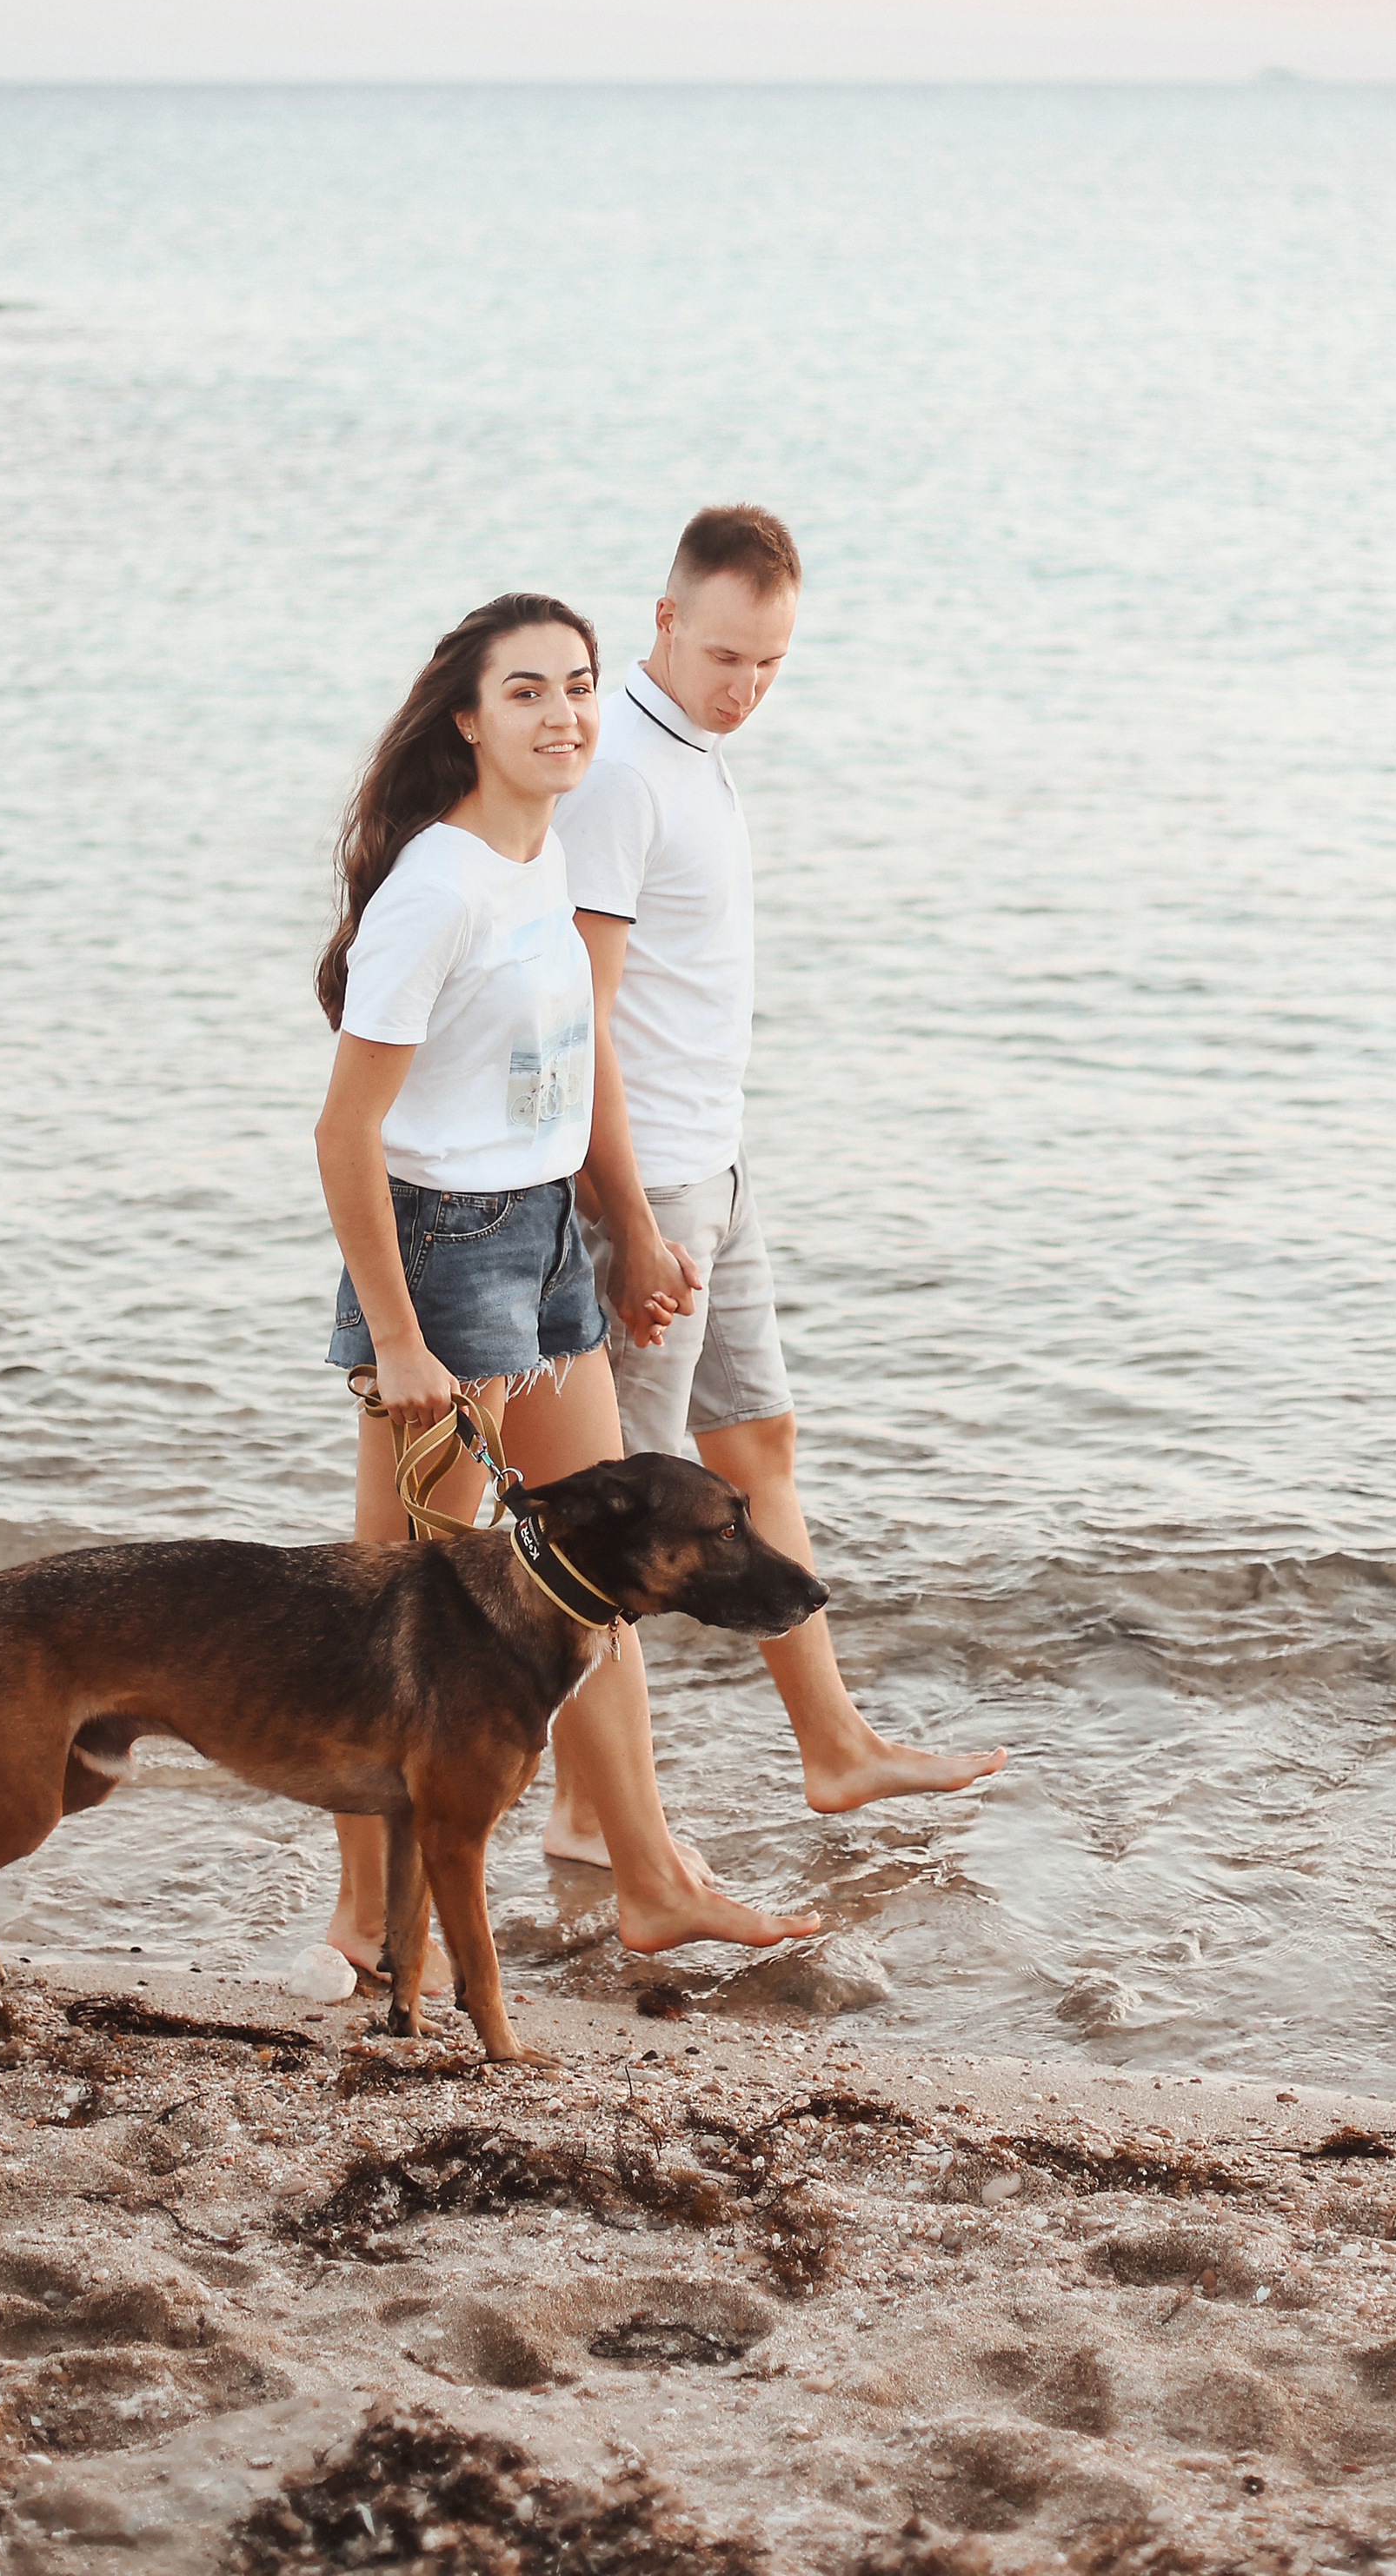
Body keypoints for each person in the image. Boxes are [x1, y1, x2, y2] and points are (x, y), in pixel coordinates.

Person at [311, 588, 819, 1981]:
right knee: (396, 1608)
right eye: (527, 691)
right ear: (467, 719)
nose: (564, 715)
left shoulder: (538, 858)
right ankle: (364, 1913)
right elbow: (346, 1135)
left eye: (580, 686)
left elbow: (573, 1066)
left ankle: (649, 1883)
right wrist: (399, 1338)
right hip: (441, 1253)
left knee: (589, 1586)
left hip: (540, 1243)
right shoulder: (437, 886)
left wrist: (628, 1236)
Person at [552, 506, 1005, 1838]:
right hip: (648, 1190)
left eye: (770, 665)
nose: (746, 688)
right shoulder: (622, 771)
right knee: (623, 1520)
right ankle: (593, 1819)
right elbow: (581, 1021)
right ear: (663, 621)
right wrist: (628, 1221)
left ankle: (837, 1747)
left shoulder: (696, 756)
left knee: (757, 1452)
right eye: (725, 657)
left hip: (717, 1170)